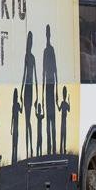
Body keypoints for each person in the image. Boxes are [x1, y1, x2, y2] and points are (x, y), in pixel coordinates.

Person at [42, 24, 58, 154]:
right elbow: (43, 72)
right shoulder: (45, 51)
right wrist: (42, 94)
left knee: (52, 118)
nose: (47, 35)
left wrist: (57, 90)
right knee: (48, 118)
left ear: (50, 35)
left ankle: (54, 147)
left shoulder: (51, 50)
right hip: (47, 86)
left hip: (51, 86)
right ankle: (49, 147)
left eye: (48, 33)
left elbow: (55, 70)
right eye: (46, 33)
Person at [21, 31, 36, 159]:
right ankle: (28, 149)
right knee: (26, 121)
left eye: (30, 41)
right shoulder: (27, 56)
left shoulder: (31, 57)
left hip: (30, 90)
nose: (29, 44)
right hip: (26, 89)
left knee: (29, 120)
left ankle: (31, 147)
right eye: (28, 41)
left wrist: (37, 97)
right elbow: (24, 75)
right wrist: (20, 92)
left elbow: (35, 77)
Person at [59, 86, 71, 154]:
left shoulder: (64, 103)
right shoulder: (64, 103)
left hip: (63, 121)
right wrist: (69, 101)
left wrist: (69, 101)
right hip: (63, 121)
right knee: (63, 135)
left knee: (63, 135)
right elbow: (68, 110)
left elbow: (60, 109)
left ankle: (63, 149)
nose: (64, 95)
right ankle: (63, 149)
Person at [10, 87, 21, 164]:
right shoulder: (15, 105)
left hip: (15, 127)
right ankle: (13, 161)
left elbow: (20, 111)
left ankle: (14, 160)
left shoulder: (15, 105)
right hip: (15, 127)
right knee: (14, 144)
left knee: (15, 144)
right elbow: (12, 117)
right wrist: (11, 128)